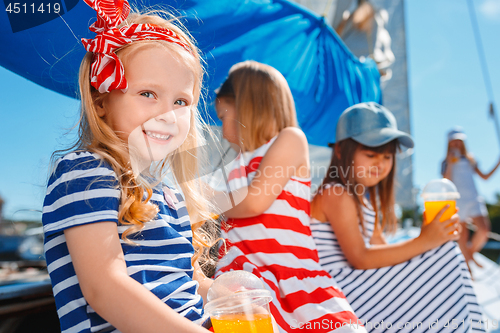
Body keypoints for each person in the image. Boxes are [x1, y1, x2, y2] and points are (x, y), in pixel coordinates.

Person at [41, 0, 216, 331]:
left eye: (180, 101)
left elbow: (191, 284)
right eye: (148, 93)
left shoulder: (170, 198)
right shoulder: (84, 173)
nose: (167, 113)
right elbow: (105, 289)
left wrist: (225, 291)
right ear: (101, 100)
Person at [213, 61, 366, 333]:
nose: (222, 128)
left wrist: (198, 199)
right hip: (242, 280)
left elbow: (255, 201)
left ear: (248, 107)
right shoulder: (232, 166)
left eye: (223, 115)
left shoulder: (290, 140)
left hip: (286, 274)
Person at [310, 103, 484, 332]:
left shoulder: (363, 201)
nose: (379, 163)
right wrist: (425, 241)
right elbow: (360, 258)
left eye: (387, 157)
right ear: (341, 150)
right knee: (446, 255)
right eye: (371, 154)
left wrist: (429, 236)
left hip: (359, 283)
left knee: (443, 251)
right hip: (342, 289)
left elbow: (382, 250)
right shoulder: (336, 192)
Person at [442, 127, 500, 269]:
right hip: (458, 200)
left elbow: (485, 177)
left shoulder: (471, 160)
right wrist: (450, 163)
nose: (456, 144)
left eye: (459, 141)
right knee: (462, 236)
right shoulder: (445, 162)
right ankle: (469, 269)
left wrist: (498, 162)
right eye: (454, 141)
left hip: (474, 199)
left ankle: (470, 254)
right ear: (449, 143)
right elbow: (446, 182)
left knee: (484, 230)